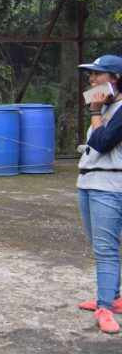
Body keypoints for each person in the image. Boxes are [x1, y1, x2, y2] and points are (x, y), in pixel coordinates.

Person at [76, 54, 122, 334]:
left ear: (116, 77)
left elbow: (103, 142)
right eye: (91, 74)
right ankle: (113, 297)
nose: (93, 79)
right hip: (89, 183)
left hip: (109, 186)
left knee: (106, 250)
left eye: (99, 73)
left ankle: (105, 307)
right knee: (100, 247)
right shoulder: (106, 106)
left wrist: (94, 110)